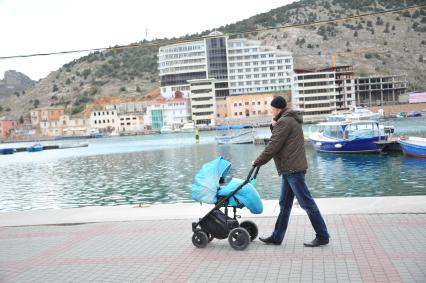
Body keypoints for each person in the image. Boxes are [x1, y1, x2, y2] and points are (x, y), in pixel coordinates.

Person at [252, 96, 329, 247]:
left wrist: (257, 162)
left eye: (272, 109)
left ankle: (322, 235)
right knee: (285, 204)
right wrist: (274, 126)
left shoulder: (285, 121)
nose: (271, 111)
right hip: (290, 169)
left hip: (293, 170)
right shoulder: (288, 120)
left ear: (278, 109)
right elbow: (281, 140)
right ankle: (277, 236)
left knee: (307, 203)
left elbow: (273, 146)